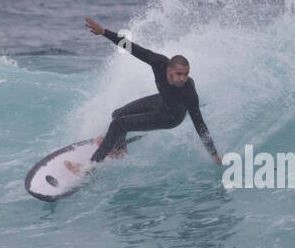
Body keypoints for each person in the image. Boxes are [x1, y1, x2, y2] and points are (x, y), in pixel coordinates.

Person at [66, 18, 222, 174]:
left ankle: (89, 168)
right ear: (169, 70)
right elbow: (132, 48)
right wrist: (104, 32)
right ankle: (119, 148)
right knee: (117, 114)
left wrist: (214, 155)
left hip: (171, 117)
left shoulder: (189, 92)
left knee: (118, 125)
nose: (183, 78)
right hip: (162, 101)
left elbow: (200, 125)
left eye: (186, 74)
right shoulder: (159, 62)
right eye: (179, 74)